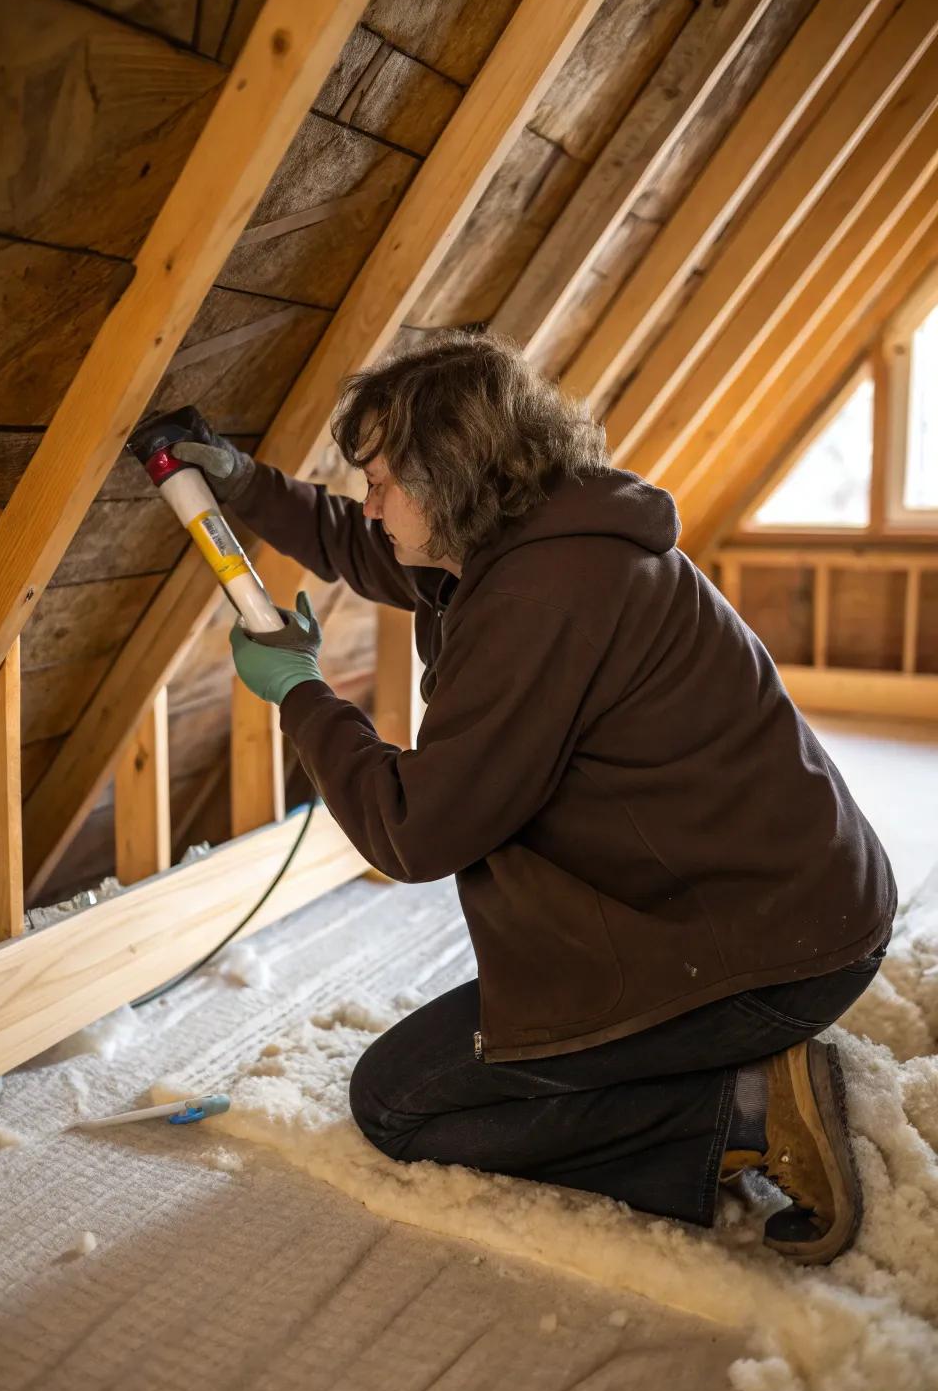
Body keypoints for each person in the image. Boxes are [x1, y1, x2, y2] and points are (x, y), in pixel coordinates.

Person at [171, 330, 895, 1266]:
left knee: (399, 1100)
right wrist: (242, 483)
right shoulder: (537, 531)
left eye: (386, 478)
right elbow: (367, 546)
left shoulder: (541, 596)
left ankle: (747, 1107)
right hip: (776, 908)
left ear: (455, 473)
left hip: (765, 950)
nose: (371, 499)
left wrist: (303, 696)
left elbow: (414, 830)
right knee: (464, 1062)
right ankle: (735, 1075)